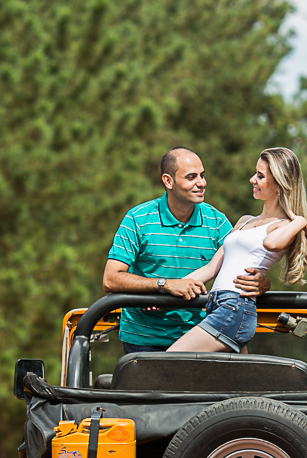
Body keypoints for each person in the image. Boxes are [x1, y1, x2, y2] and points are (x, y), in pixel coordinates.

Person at [103, 147, 270, 353]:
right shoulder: (137, 219)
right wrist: (162, 286)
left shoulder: (217, 223)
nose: (201, 183)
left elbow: (239, 272)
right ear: (168, 181)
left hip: (201, 338)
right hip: (144, 340)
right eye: (191, 177)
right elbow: (110, 279)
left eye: (202, 175)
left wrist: (261, 283)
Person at [167, 147, 307, 353]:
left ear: (280, 185)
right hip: (215, 305)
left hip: (235, 307)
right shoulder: (245, 221)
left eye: (260, 176)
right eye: (255, 173)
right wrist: (168, 289)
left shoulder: (283, 227)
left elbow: (271, 244)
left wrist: (300, 220)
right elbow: (211, 269)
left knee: (170, 359)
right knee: (233, 383)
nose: (252, 179)